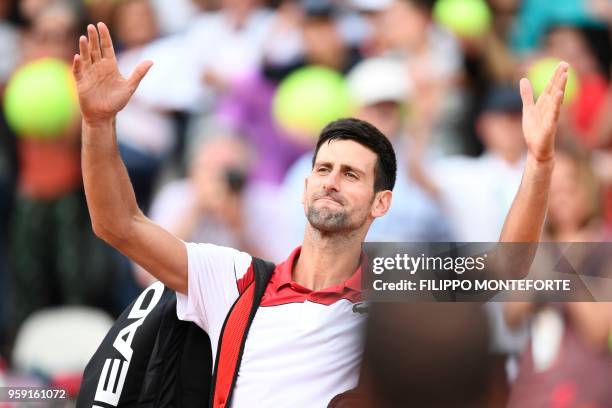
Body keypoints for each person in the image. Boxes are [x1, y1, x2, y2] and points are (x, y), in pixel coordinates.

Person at [72, 22, 569, 407]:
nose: (331, 180)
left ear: (382, 203)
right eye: (324, 168)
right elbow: (118, 224)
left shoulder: (396, 284)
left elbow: (509, 269)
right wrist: (97, 123)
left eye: (351, 174)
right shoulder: (233, 276)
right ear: (305, 184)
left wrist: (540, 161)